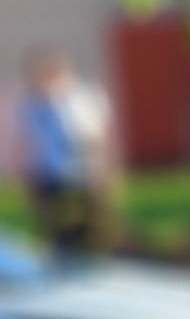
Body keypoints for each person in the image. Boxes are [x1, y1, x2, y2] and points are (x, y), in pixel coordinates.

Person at [19, 48, 117, 255]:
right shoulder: (34, 105)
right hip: (51, 172)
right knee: (55, 222)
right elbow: (33, 141)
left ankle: (93, 250)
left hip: (83, 170)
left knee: (92, 223)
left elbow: (88, 134)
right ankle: (63, 250)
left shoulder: (77, 99)